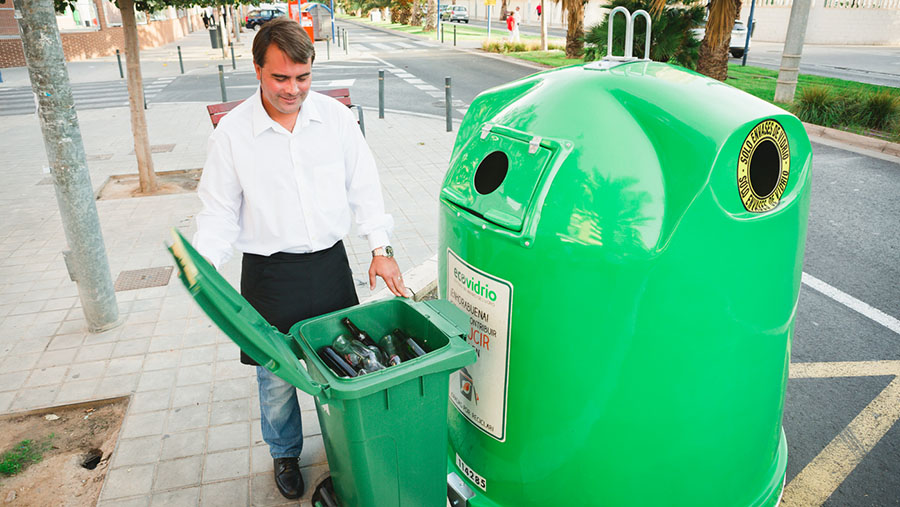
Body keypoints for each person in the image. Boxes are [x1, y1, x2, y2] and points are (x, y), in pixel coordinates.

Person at [193, 18, 407, 500]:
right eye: (281, 78)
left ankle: (345, 446)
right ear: (257, 71)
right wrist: (202, 264)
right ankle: (285, 453)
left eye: (303, 77)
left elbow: (364, 187)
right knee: (276, 380)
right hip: (269, 275)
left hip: (329, 265)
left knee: (343, 367)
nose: (293, 89)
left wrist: (381, 249)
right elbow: (219, 211)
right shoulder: (232, 135)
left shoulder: (334, 118)